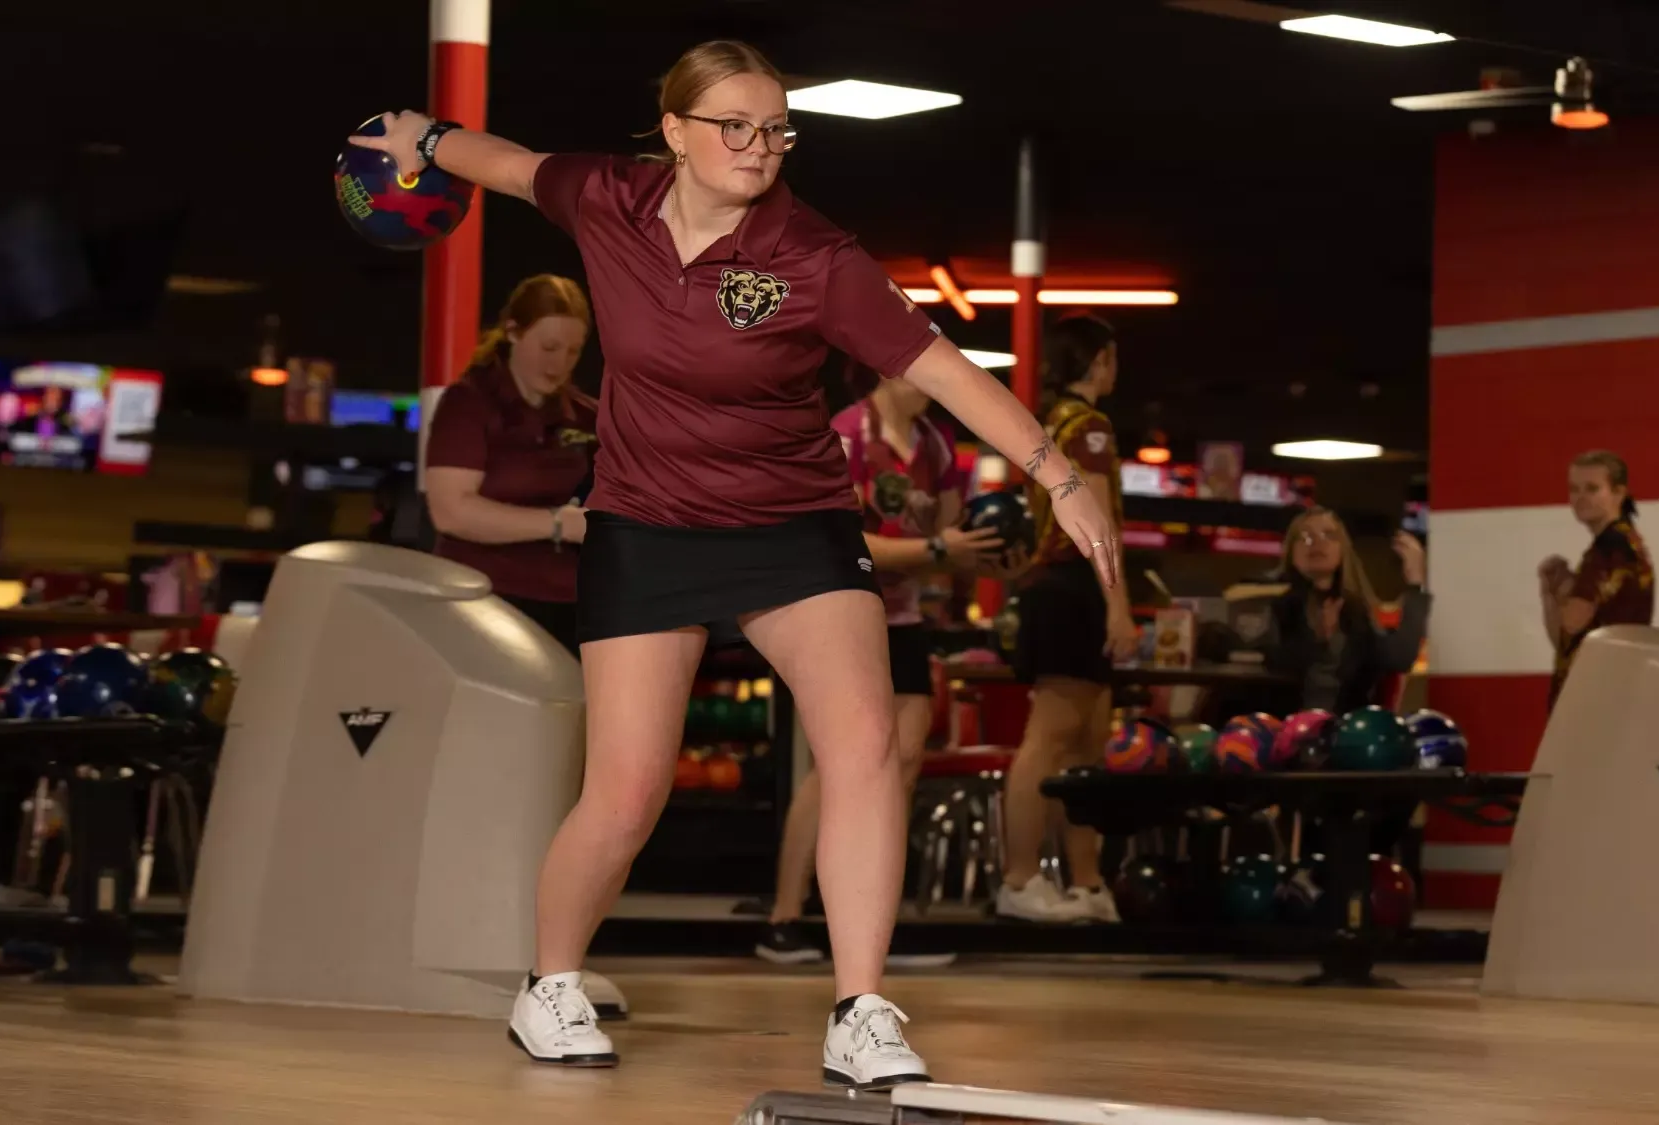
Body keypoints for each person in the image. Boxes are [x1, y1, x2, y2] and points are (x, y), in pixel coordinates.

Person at [350, 39, 1119, 1088]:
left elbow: (942, 370)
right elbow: (511, 166)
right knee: (626, 795)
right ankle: (550, 984)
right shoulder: (609, 200)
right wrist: (424, 137)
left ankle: (859, 1008)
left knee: (862, 749)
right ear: (674, 132)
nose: (761, 147)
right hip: (646, 526)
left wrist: (1058, 477)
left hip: (792, 526)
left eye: (777, 129)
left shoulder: (815, 256)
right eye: (737, 127)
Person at [755, 365, 1004, 965]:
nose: (935, 380)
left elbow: (949, 529)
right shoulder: (847, 434)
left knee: (905, 759)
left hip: (904, 614)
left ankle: (870, 921)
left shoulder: (935, 444)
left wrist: (973, 547)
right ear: (888, 372)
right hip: (841, 604)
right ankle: (784, 918)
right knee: (840, 764)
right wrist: (937, 549)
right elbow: (842, 538)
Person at [994, 314, 1139, 925]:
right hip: (1075, 588)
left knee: (1085, 745)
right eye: (1113, 357)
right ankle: (1019, 879)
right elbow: (1094, 523)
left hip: (1051, 587)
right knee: (1049, 740)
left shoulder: (1048, 422)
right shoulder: (1091, 427)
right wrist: (1119, 607)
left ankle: (1087, 884)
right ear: (1099, 360)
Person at [422, 275, 596, 654]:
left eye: (573, 351)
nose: (559, 363)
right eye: (549, 347)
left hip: (571, 608)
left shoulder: (586, 416)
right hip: (481, 602)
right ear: (514, 332)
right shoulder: (469, 403)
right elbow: (451, 512)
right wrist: (559, 524)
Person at [1261, 507, 1430, 715]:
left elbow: (1399, 658)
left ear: (1342, 550)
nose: (1316, 542)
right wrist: (1319, 642)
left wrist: (1415, 585)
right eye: (1305, 537)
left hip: (1346, 726)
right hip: (1284, 724)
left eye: (1329, 535)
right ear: (1291, 552)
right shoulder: (1276, 605)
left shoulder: (1356, 610)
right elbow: (1270, 668)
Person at [1541, 449, 1652, 708]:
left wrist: (1560, 591)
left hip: (1598, 698)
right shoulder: (1626, 543)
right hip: (1611, 692)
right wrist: (1552, 593)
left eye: (1592, 489)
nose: (1580, 498)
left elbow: (1571, 623)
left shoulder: (1610, 550)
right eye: (1574, 489)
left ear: (1618, 493)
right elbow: (1565, 642)